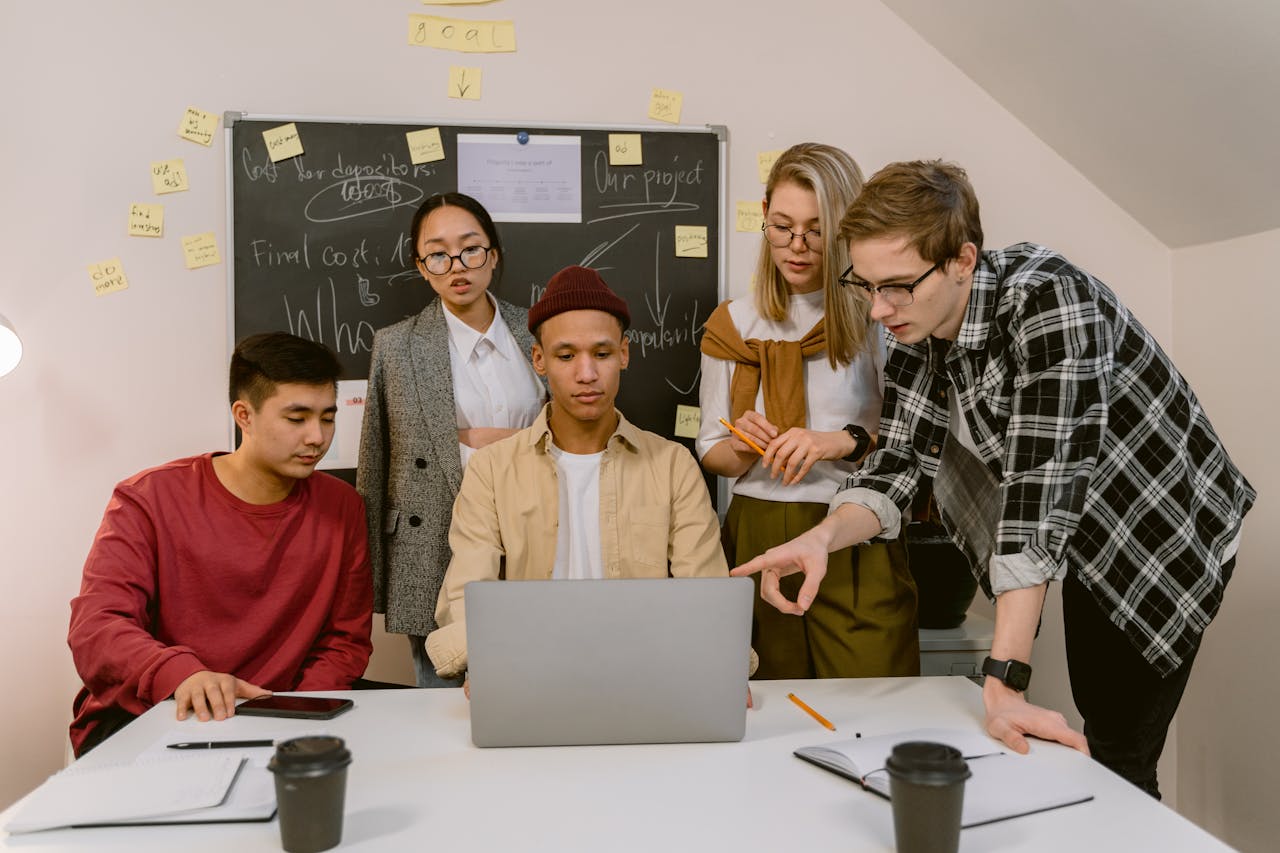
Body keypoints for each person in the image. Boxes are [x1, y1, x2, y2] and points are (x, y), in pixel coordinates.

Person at [735, 160, 1255, 798]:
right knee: (1088, 736)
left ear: (962, 260)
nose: (878, 309)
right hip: (1079, 528)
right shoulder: (912, 328)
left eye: (897, 286)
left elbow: (1037, 499)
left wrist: (1004, 680)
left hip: (1160, 528)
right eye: (865, 286)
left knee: (1119, 753)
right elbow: (897, 465)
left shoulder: (1050, 301)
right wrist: (824, 536)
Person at [67, 333, 373, 756]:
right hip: (155, 719)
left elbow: (345, 641)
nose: (317, 437)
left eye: (327, 417)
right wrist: (182, 676)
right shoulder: (148, 498)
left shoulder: (343, 507)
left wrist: (297, 710)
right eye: (297, 418)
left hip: (282, 722)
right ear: (243, 415)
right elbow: (97, 627)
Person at [426, 265, 730, 678]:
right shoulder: (492, 470)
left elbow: (705, 592)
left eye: (601, 354)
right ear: (539, 359)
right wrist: (484, 663)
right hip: (528, 669)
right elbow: (467, 592)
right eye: (566, 356)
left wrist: (719, 668)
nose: (586, 374)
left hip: (646, 672)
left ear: (624, 353)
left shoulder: (672, 465)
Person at [698, 143, 918, 679]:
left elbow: (912, 443)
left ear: (844, 230)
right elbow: (710, 451)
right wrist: (741, 447)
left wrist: (837, 441)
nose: (796, 247)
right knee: (767, 715)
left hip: (852, 531)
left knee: (872, 712)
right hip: (756, 530)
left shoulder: (884, 316)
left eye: (816, 231)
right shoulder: (732, 325)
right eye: (781, 226)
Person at [357, 192, 546, 687]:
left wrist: (481, 440)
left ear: (494, 254)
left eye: (470, 248)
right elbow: (375, 463)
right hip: (432, 544)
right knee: (444, 705)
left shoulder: (540, 332)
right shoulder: (396, 346)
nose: (456, 266)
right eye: (437, 254)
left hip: (537, 533)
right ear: (421, 266)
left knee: (543, 689)